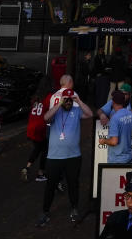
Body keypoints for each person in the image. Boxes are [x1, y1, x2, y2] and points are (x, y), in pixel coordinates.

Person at [37, 88, 93, 226]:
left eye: (69, 100)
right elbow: (45, 118)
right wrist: (58, 104)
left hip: (73, 156)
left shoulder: (76, 111)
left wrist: (78, 100)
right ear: (62, 100)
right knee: (50, 185)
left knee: (73, 184)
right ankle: (45, 211)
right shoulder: (56, 111)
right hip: (54, 157)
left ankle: (74, 208)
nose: (68, 102)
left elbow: (90, 113)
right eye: (66, 100)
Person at [100, 90, 132, 163]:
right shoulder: (130, 114)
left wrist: (104, 141)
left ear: (113, 102)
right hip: (128, 158)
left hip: (116, 160)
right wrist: (126, 137)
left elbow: (114, 141)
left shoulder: (114, 118)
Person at [22, 95, 48, 182]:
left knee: (37, 149)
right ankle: (40, 173)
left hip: (31, 129)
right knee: (45, 150)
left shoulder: (35, 101)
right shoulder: (47, 100)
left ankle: (27, 168)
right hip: (39, 129)